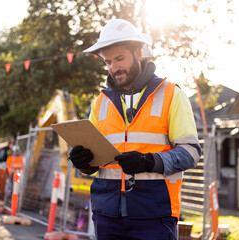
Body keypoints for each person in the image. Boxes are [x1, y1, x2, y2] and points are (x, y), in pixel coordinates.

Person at [68, 19, 201, 240]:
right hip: (106, 215)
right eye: (108, 62)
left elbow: (191, 153)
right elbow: (93, 163)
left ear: (138, 53)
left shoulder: (171, 95)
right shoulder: (99, 103)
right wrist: (83, 163)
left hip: (154, 214)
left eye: (120, 59)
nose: (113, 68)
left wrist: (150, 161)